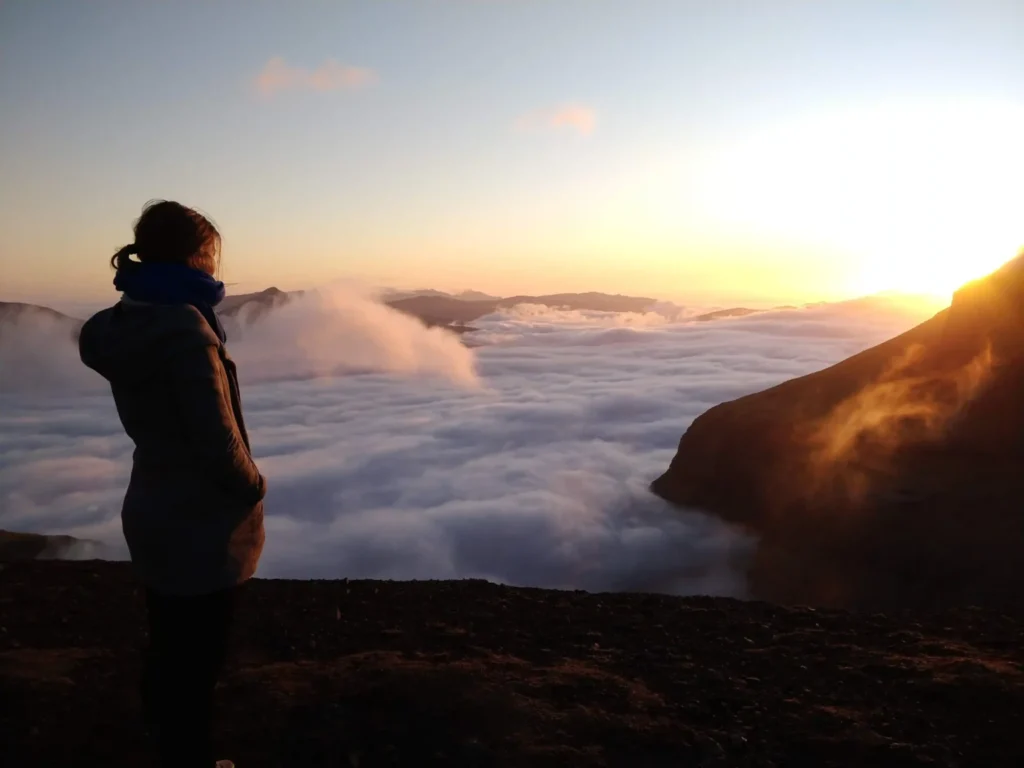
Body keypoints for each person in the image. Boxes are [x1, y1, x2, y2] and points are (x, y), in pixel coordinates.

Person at [79, 200, 267, 768]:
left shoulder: (127, 322)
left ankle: (163, 742)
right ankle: (189, 756)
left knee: (169, 644)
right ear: (195, 257)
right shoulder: (186, 331)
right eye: (212, 259)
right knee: (199, 659)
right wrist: (253, 486)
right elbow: (217, 442)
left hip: (154, 509)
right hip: (201, 524)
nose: (216, 272)